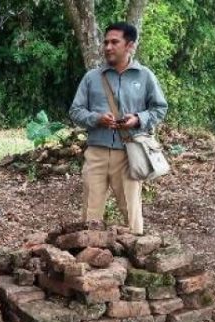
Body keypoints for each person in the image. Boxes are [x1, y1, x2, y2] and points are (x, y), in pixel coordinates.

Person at [69, 22, 168, 235]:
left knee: (131, 213)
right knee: (90, 213)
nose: (107, 47)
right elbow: (75, 111)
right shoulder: (92, 77)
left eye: (115, 42)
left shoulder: (145, 76)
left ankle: (136, 259)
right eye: (105, 42)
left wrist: (138, 119)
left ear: (130, 46)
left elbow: (160, 109)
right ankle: (91, 258)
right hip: (96, 153)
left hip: (129, 153)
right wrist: (97, 119)